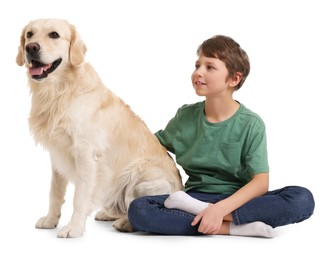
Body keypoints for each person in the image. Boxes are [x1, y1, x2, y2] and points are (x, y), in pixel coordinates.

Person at [127, 35, 315, 238]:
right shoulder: (185, 116)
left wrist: (220, 210)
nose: (198, 72)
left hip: (238, 200)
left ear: (234, 79)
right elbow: (151, 145)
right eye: (197, 65)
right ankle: (234, 228)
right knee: (140, 209)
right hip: (195, 195)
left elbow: (261, 182)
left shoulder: (251, 124)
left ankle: (208, 214)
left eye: (210, 67)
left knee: (302, 199)